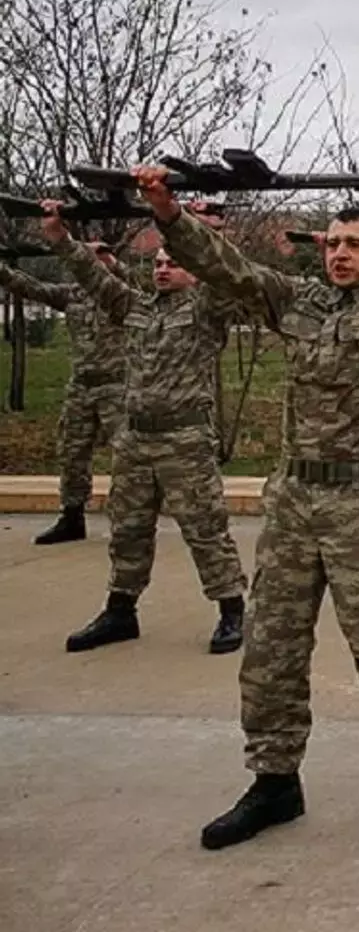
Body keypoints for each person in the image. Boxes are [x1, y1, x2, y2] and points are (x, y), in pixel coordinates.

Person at [130, 164, 359, 852]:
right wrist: (167, 213)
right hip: (294, 501)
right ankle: (275, 780)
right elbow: (224, 267)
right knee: (272, 648)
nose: (340, 253)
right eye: (333, 243)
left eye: (355, 245)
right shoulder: (297, 302)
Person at [40, 203, 251, 655]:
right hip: (136, 439)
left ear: (192, 270)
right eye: (157, 263)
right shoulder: (134, 308)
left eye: (173, 263)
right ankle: (121, 610)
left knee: (204, 528)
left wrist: (197, 229)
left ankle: (231, 609)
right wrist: (61, 238)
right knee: (128, 528)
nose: (162, 269)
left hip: (185, 440)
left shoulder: (206, 308)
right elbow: (95, 278)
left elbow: (227, 270)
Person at [0, 243, 130, 544]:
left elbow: (134, 281)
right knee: (72, 451)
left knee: (128, 455)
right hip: (82, 386)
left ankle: (129, 520)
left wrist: (109, 261)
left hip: (117, 385)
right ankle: (72, 517)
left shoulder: (121, 295)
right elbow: (31, 287)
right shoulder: (73, 294)